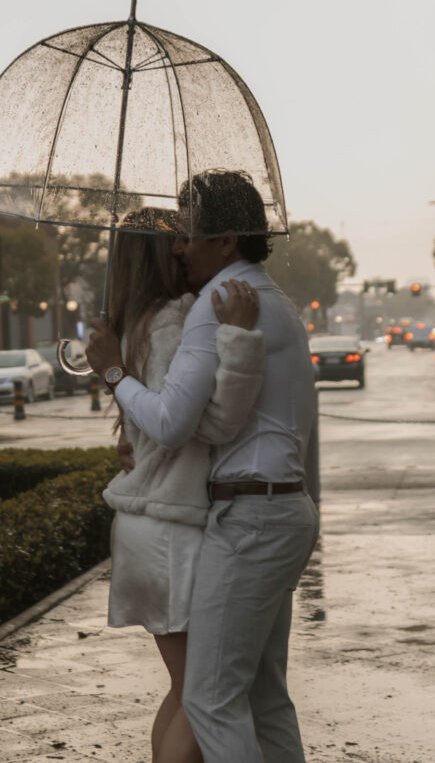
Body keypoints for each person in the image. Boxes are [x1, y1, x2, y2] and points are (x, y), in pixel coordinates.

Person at [87, 170, 319, 763]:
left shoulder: (214, 308)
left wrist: (114, 375)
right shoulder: (280, 305)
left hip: (248, 517)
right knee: (264, 697)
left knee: (211, 699)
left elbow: (175, 423)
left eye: (190, 233)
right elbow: (208, 424)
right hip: (283, 510)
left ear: (227, 241)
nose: (179, 245)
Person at [96, 208, 267, 763]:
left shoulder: (137, 322)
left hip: (148, 524)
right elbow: (192, 424)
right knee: (204, 695)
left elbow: (148, 424)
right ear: (161, 253)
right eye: (177, 241)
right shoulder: (176, 319)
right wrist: (238, 338)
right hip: (171, 528)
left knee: (186, 689)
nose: (185, 249)